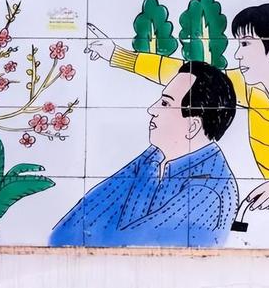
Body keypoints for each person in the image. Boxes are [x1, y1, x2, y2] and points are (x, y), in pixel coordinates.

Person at [85, 2, 269, 249]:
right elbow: (187, 76)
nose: (238, 55)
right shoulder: (251, 89)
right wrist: (117, 55)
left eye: (245, 44)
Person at [49, 62, 238, 247]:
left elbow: (135, 247)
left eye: (165, 103)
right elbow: (72, 227)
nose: (152, 109)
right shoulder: (154, 158)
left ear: (192, 126)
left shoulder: (209, 189)